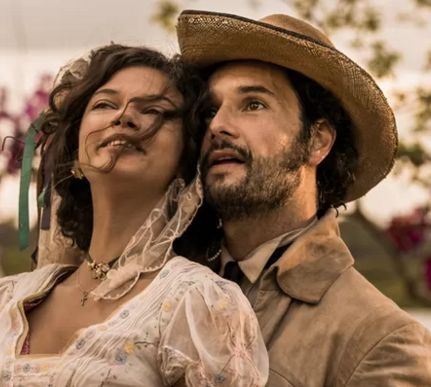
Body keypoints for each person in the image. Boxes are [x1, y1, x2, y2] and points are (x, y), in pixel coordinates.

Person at [177, 10, 431, 386]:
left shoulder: (382, 341)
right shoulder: (164, 280)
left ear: (318, 141)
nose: (217, 126)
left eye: (253, 104)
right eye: (211, 109)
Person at [0, 44, 268, 386]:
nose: (123, 117)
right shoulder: (8, 298)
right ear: (76, 150)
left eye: (154, 110)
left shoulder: (199, 304)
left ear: (187, 157)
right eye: (104, 104)